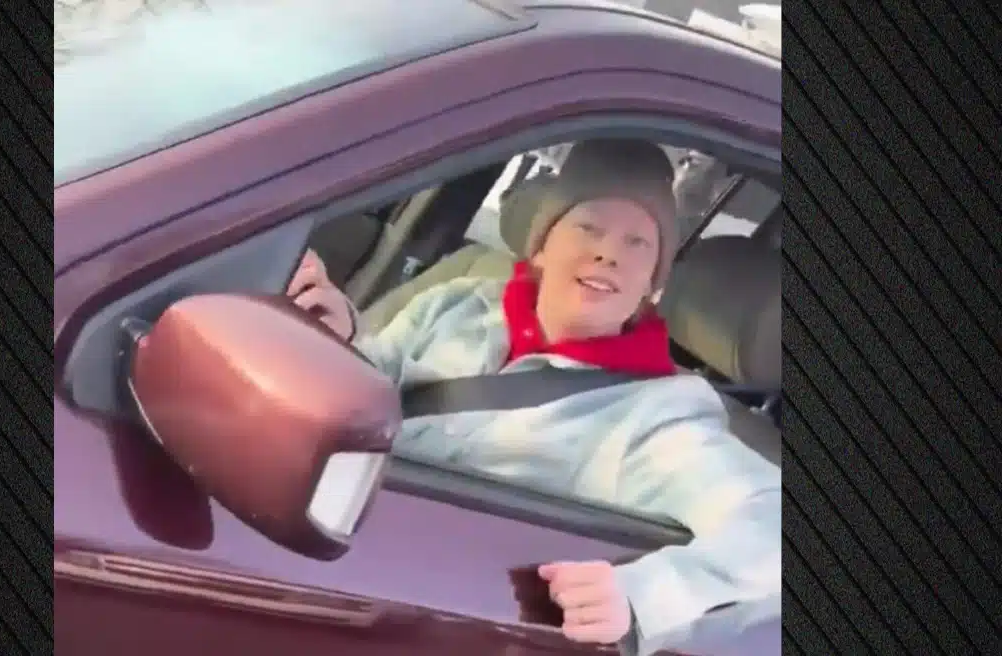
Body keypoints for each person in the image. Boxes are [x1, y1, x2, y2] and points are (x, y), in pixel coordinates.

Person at [286, 139, 780, 656]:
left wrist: (643, 594)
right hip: (322, 538)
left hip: (431, 610)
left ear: (652, 284)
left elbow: (769, 521)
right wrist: (335, 339)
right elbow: (371, 381)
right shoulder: (458, 303)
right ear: (542, 245)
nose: (609, 253)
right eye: (589, 227)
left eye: (638, 243)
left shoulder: (658, 413)